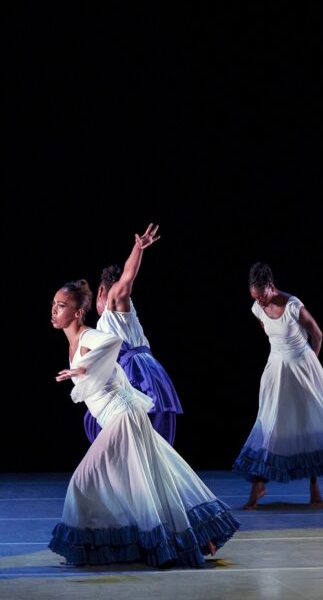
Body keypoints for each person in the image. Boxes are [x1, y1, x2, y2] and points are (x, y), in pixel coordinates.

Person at [49, 280, 238, 567]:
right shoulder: (74, 341)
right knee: (152, 479)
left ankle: (86, 547)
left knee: (84, 480)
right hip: (121, 416)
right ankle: (195, 538)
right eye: (54, 304)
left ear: (77, 313)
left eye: (61, 306)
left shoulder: (88, 337)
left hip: (122, 416)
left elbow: (112, 342)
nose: (54, 310)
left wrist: (85, 367)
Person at [233, 262, 323, 509]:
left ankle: (314, 487)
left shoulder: (293, 305)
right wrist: (281, 357)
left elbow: (317, 334)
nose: (260, 303)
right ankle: (259, 483)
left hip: (303, 368)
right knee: (271, 425)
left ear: (271, 287)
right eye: (256, 298)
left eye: (262, 297)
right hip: (276, 371)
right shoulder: (257, 308)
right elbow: (270, 334)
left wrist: (309, 365)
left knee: (309, 424)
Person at [84, 223, 184, 445]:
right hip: (140, 370)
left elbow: (127, 280)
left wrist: (138, 248)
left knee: (138, 430)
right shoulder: (109, 321)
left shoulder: (114, 305)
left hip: (137, 372)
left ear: (102, 291)